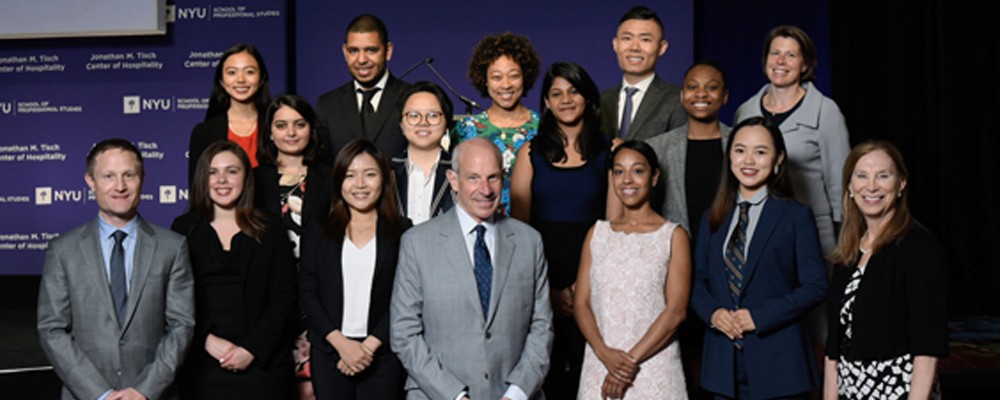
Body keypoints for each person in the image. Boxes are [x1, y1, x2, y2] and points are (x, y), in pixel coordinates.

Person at [390, 137, 553, 400]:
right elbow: (404, 333)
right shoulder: (417, 243)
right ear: (453, 180)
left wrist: (516, 394)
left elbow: (542, 326)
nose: (485, 189)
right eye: (474, 178)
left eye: (494, 177)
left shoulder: (529, 241)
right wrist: (455, 396)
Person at [37, 138, 195, 400]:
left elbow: (181, 325)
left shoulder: (173, 247)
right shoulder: (62, 250)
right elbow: (52, 330)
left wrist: (144, 391)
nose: (120, 186)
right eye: (108, 176)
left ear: (142, 178)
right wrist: (101, 394)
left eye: (129, 175)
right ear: (91, 181)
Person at [690, 117, 828, 399]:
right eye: (740, 150)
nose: (748, 160)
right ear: (729, 157)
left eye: (761, 151)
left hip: (780, 365)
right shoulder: (712, 217)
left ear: (778, 159)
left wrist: (759, 317)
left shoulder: (795, 216)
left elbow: (815, 285)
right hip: (722, 367)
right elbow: (697, 281)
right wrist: (713, 314)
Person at [509, 61, 611, 399]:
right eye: (556, 93)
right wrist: (546, 289)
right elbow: (519, 234)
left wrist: (584, 286)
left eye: (573, 91)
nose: (566, 99)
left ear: (587, 97)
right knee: (545, 374)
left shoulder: (611, 150)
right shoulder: (530, 153)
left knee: (590, 373)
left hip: (595, 279)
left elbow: (613, 230)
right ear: (547, 103)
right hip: (542, 280)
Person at [171, 141, 297, 399]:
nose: (222, 180)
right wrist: (206, 340)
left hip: (263, 365)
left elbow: (284, 299)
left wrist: (252, 349)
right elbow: (175, 300)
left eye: (232, 171)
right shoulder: (183, 230)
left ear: (245, 178)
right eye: (212, 172)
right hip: (202, 366)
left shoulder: (270, 228)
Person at [823, 141, 948, 400]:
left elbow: (927, 348)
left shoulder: (918, 247)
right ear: (849, 185)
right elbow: (833, 350)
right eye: (862, 176)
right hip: (850, 392)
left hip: (900, 391)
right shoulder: (847, 251)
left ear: (901, 183)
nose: (871, 186)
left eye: (883, 175)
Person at [575, 141, 692, 399]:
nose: (627, 180)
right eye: (619, 171)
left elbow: (676, 311)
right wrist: (605, 354)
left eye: (637, 171)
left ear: (655, 176)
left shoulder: (673, 236)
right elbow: (581, 303)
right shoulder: (597, 234)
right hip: (600, 363)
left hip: (653, 365)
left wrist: (626, 365)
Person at [643, 60, 731, 399]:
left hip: (728, 270)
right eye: (693, 86)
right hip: (676, 271)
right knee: (684, 359)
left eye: (711, 87)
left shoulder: (740, 143)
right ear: (682, 96)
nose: (701, 94)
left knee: (722, 358)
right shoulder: (659, 147)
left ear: (725, 96)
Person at [300, 139, 410, 399]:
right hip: (330, 353)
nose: (360, 184)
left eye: (370, 175)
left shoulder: (404, 231)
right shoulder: (318, 231)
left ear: (384, 180)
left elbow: (405, 298)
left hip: (383, 355)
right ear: (338, 181)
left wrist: (368, 347)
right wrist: (341, 344)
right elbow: (307, 291)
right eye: (350, 176)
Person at [733, 25, 850, 257]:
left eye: (791, 55)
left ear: (805, 64)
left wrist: (845, 235)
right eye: (775, 53)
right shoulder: (746, 111)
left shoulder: (825, 111)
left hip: (814, 230)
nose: (780, 61)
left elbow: (840, 182)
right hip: (757, 229)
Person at [254, 94, 333, 400]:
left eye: (299, 125)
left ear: (311, 129)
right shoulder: (254, 179)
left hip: (318, 294)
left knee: (316, 387)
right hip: (271, 297)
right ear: (270, 132)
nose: (290, 133)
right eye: (282, 125)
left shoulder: (329, 177)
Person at [451, 31, 542, 215]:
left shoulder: (544, 127)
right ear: (484, 80)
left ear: (525, 77)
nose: (506, 85)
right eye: (496, 77)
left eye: (514, 76)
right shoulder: (466, 129)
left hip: (533, 229)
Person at [316, 14, 411, 159]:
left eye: (371, 50)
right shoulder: (328, 105)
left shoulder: (411, 98)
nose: (361, 60)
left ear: (388, 51)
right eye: (354, 51)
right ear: (344, 52)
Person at [600, 5, 687, 142]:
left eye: (645, 39)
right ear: (615, 44)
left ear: (662, 48)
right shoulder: (601, 100)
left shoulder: (677, 99)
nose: (634, 47)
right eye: (627, 38)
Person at [189, 43, 272, 182]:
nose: (240, 79)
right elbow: (197, 189)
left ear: (262, 78)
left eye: (249, 72)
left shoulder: (276, 128)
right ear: (221, 80)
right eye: (232, 72)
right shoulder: (203, 132)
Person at [390, 81, 455, 225]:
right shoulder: (387, 171)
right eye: (414, 115)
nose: (423, 122)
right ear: (401, 123)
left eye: (433, 115)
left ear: (447, 123)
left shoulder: (461, 171)